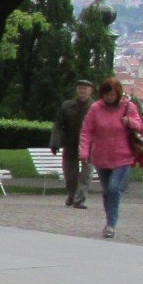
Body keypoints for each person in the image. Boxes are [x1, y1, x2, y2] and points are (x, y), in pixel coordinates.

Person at [78, 76, 143, 240]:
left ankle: (111, 224)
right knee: (107, 191)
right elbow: (86, 131)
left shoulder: (128, 107)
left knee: (114, 188)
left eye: (112, 95)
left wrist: (129, 121)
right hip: (101, 156)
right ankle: (109, 217)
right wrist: (84, 152)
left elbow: (140, 125)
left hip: (122, 156)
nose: (109, 98)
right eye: (106, 95)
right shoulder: (96, 108)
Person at [49, 80, 94, 209]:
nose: (82, 91)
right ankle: (72, 194)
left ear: (90, 91)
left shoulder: (95, 107)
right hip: (71, 144)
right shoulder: (67, 106)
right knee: (70, 174)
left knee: (86, 174)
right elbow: (58, 125)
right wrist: (55, 142)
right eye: (80, 88)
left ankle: (79, 200)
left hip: (89, 145)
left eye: (85, 88)